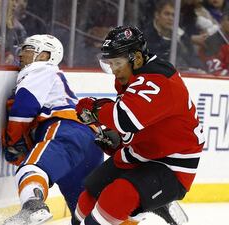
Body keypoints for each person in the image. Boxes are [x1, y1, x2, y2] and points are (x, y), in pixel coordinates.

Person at [72, 25, 204, 225]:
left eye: (117, 62)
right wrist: (117, 139)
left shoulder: (159, 80)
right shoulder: (130, 76)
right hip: (141, 152)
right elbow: (137, 124)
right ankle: (148, 203)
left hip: (171, 163)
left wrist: (95, 110)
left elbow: (125, 119)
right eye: (110, 63)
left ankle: (150, 202)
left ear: (137, 58)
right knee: (88, 199)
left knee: (117, 197)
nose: (114, 70)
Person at [1, 34, 104, 225]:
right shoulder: (52, 75)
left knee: (32, 168)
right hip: (90, 140)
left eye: (28, 49)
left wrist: (13, 142)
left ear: (45, 56)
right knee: (86, 214)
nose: (21, 54)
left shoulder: (41, 69)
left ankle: (33, 207)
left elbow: (25, 106)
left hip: (67, 129)